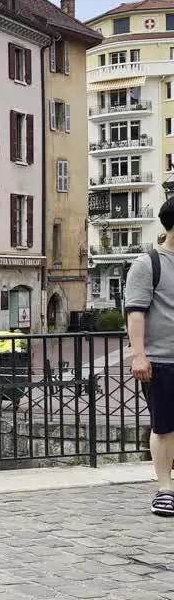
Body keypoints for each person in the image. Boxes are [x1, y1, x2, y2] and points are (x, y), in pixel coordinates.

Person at [125, 195, 174, 517]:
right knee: (165, 427)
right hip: (162, 360)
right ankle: (164, 488)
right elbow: (136, 313)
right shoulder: (149, 264)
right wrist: (139, 355)